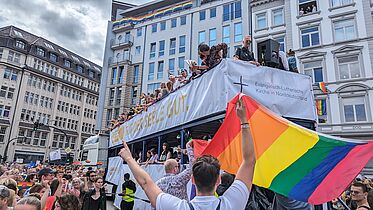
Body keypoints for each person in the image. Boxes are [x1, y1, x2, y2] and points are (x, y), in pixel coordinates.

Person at [118, 96, 255, 209]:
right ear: (218, 180)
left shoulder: (177, 207)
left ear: (193, 180)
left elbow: (146, 182)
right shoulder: (232, 204)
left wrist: (129, 159)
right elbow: (249, 161)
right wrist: (243, 121)